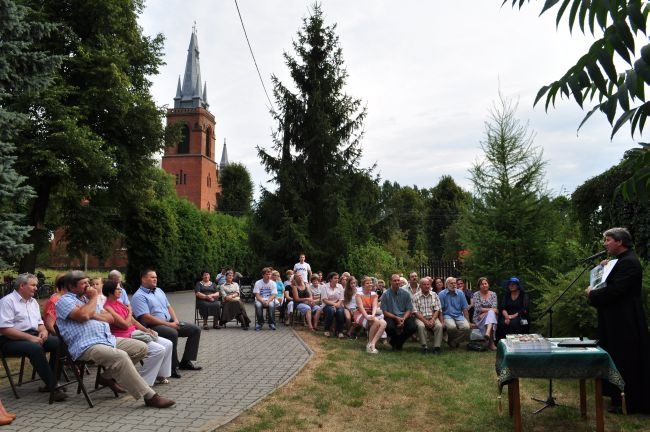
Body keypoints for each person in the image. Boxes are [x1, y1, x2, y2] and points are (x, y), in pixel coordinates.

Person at [56, 271, 175, 408]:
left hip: (106, 339)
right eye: (84, 283)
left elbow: (110, 318)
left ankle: (106, 377)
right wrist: (93, 301)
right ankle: (150, 396)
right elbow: (83, 316)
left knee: (141, 347)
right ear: (71, 286)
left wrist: (90, 313)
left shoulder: (86, 300)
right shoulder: (65, 301)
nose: (89, 286)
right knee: (121, 356)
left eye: (88, 282)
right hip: (86, 346)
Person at [585, 227, 650, 414]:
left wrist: (592, 293)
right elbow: (609, 283)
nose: (604, 243)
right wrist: (604, 269)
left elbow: (615, 291)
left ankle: (629, 401)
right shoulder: (618, 262)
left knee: (625, 358)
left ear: (619, 242)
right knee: (615, 356)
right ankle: (617, 398)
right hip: (615, 318)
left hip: (625, 319)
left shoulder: (629, 262)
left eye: (608, 240)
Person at [0, 273, 65, 401]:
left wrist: (44, 332)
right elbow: (5, 329)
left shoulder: (33, 301)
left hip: (32, 335)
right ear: (22, 286)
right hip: (9, 340)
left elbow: (40, 323)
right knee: (34, 348)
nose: (36, 288)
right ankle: (54, 387)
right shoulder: (7, 301)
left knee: (60, 343)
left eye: (36, 285)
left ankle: (51, 381)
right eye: (33, 285)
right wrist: (30, 338)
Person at [132, 269, 202, 378]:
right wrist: (169, 325)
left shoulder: (159, 290)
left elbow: (169, 307)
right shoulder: (138, 296)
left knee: (195, 329)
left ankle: (186, 362)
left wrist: (175, 320)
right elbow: (146, 318)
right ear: (143, 279)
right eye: (152, 277)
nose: (155, 279)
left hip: (169, 322)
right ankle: (173, 367)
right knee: (172, 333)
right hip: (153, 326)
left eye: (155, 277)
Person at [103, 280, 173, 386]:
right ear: (109, 291)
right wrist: (130, 311)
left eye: (120, 288)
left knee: (168, 344)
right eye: (117, 288)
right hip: (124, 337)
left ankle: (160, 375)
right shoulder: (108, 307)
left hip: (135, 333)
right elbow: (125, 324)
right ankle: (144, 381)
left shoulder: (119, 303)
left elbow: (134, 321)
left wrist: (146, 330)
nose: (120, 290)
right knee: (158, 350)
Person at [380, 274, 417, 351]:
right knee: (389, 327)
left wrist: (403, 318)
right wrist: (396, 318)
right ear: (390, 282)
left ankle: (397, 342)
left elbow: (409, 309)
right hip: (391, 316)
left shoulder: (406, 294)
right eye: (395, 281)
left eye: (398, 280)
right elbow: (385, 312)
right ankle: (397, 343)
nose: (397, 282)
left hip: (404, 316)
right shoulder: (385, 294)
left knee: (412, 327)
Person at [354, 277, 387, 354]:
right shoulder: (359, 295)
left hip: (372, 313)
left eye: (371, 283)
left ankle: (373, 344)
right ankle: (369, 344)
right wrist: (367, 316)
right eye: (367, 283)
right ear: (363, 285)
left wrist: (372, 314)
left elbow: (375, 306)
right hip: (361, 313)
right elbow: (361, 308)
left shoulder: (374, 294)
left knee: (384, 323)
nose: (370, 284)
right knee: (375, 321)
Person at [412, 277, 443, 354]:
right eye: (424, 284)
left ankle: (437, 347)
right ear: (421, 286)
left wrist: (432, 320)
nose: (426, 286)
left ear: (430, 285)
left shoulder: (434, 295)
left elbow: (437, 309)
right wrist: (425, 321)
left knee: (439, 326)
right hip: (420, 318)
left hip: (433, 317)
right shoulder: (415, 296)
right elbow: (415, 312)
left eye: (428, 284)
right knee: (421, 326)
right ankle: (424, 346)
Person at [439, 277, 470, 348]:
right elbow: (440, 310)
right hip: (447, 315)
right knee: (452, 327)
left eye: (454, 283)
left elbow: (464, 308)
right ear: (446, 284)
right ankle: (453, 341)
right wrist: (442, 322)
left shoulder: (460, 293)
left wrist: (468, 321)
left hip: (459, 315)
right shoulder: (442, 294)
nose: (454, 285)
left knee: (466, 327)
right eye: (451, 283)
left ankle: (452, 341)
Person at [471, 277, 498, 350]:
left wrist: (485, 313)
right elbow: (478, 308)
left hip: (487, 315)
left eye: (485, 283)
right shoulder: (476, 294)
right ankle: (491, 343)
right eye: (482, 284)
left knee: (491, 316)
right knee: (491, 315)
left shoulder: (493, 294)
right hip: (478, 317)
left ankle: (488, 334)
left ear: (488, 284)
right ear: (479, 286)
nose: (484, 285)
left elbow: (495, 307)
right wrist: (490, 311)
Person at [321, 272, 345, 338]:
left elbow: (341, 299)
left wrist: (337, 304)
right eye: (335, 278)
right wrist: (334, 304)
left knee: (340, 312)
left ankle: (340, 331)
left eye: (337, 278)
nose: (337, 279)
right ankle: (327, 330)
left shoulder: (340, 286)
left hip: (338, 304)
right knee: (330, 311)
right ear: (330, 279)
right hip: (327, 305)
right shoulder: (324, 287)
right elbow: (324, 300)